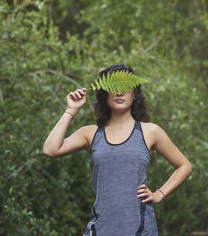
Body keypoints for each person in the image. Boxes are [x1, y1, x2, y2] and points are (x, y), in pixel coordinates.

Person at [42, 63, 193, 236]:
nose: (120, 92)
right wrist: (71, 110)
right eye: (114, 87)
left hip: (141, 230)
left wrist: (160, 193)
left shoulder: (151, 132)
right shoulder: (90, 134)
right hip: (101, 229)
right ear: (105, 93)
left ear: (134, 94)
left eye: (126, 87)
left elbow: (184, 166)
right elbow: (50, 149)